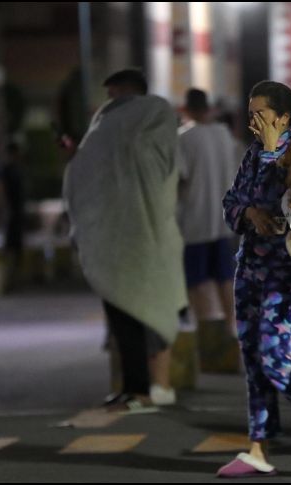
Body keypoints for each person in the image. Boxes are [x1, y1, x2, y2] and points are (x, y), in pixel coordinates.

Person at [218, 81, 291, 478]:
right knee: (252, 358)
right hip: (249, 267)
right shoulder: (252, 153)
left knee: (274, 357)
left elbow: (283, 200)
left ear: (283, 117)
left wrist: (268, 157)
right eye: (249, 112)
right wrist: (248, 215)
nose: (252, 120)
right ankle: (258, 447)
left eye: (259, 113)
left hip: (286, 272)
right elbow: (233, 202)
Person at [63, 69, 187, 413]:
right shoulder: (115, 127)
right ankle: (134, 388)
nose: (111, 102)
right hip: (120, 239)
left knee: (143, 317)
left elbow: (148, 163)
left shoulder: (145, 117)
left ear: (121, 90)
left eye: (112, 93)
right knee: (123, 319)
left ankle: (149, 389)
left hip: (143, 236)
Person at [176, 88, 240, 374]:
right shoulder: (224, 135)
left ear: (186, 109)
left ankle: (207, 333)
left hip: (195, 221)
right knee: (224, 276)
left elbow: (181, 179)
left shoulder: (184, 139)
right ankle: (231, 328)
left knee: (197, 281)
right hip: (222, 220)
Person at [0, 142, 26, 285]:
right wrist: (6, 207)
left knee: (18, 246)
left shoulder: (17, 168)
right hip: (11, 209)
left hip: (18, 209)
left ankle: (16, 277)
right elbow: (0, 188)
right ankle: (6, 277)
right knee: (9, 245)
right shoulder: (5, 169)